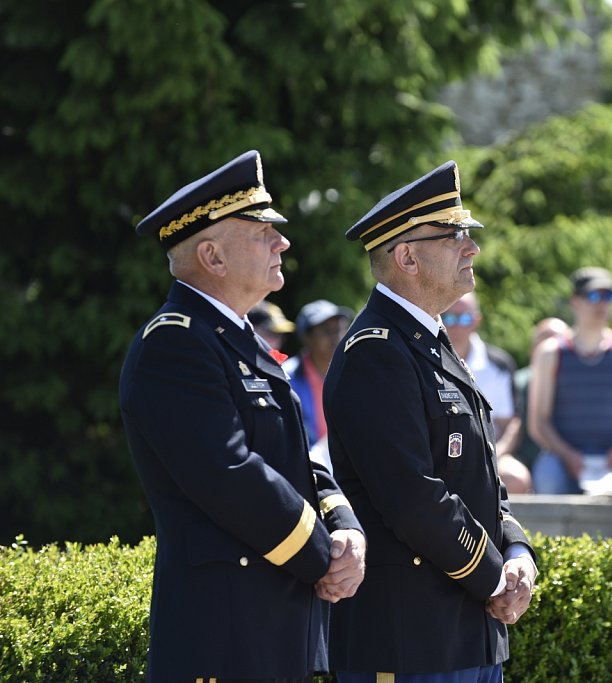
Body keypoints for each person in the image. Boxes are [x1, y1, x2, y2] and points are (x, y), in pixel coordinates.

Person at [119, 150, 365, 682]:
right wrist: (323, 556)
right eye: (261, 231)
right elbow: (229, 473)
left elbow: (295, 459)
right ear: (212, 255)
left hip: (275, 625)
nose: (283, 241)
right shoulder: (177, 343)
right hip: (224, 635)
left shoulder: (238, 339)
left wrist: (344, 525)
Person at [322, 160, 537, 682]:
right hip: (410, 642)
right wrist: (494, 578)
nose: (471, 247)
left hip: (468, 636)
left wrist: (518, 551)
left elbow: (481, 477)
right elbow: (414, 498)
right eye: (453, 235)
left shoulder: (431, 343)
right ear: (407, 257)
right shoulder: (377, 351)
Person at [528, 267, 612, 495]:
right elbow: (539, 423)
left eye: (607, 296)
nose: (601, 303)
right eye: (593, 295)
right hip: (561, 459)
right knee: (548, 479)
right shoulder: (550, 352)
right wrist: (568, 456)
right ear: (575, 302)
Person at [441, 292, 530, 493]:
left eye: (464, 318)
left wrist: (493, 456)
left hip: (491, 455)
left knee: (517, 478)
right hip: (441, 455)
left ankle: (505, 525)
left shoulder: (498, 365)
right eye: (449, 317)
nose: (456, 325)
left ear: (476, 321)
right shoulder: (426, 357)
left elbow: (511, 424)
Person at [283, 299, 354, 447]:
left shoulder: (354, 374)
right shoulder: (286, 377)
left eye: (340, 330)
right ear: (306, 337)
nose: (337, 338)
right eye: (327, 331)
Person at [511, 317, 571, 484]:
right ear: (532, 350)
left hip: (570, 463)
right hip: (525, 463)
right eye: (543, 341)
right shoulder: (519, 382)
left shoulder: (577, 385)